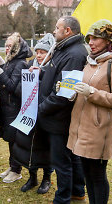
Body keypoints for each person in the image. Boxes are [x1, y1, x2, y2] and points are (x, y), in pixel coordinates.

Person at [67, 20, 112, 204]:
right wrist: (71, 92)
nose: (91, 42)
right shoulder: (90, 61)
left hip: (98, 129)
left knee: (98, 176)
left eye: (96, 38)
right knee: (87, 174)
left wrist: (92, 93)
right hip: (80, 128)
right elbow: (83, 88)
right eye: (89, 38)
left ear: (107, 40)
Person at [37, 16, 87, 204]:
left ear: (67, 31)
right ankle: (76, 191)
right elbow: (56, 76)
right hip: (54, 117)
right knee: (69, 158)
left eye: (57, 27)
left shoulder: (74, 54)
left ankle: (63, 198)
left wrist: (41, 108)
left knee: (62, 162)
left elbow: (64, 93)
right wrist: (40, 72)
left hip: (60, 118)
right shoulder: (62, 49)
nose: (54, 30)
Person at [12, 33, 55, 194]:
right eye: (37, 51)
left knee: (45, 148)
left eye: (43, 52)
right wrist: (29, 78)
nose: (39, 55)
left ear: (50, 54)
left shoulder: (53, 69)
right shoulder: (29, 66)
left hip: (45, 115)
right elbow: (18, 91)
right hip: (28, 116)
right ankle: (32, 177)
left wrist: (41, 77)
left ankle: (46, 178)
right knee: (29, 147)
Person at [0, 32, 32, 184]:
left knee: (15, 140)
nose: (7, 48)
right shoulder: (11, 61)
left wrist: (0, 71)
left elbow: (11, 86)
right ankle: (12, 166)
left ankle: (17, 170)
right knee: (10, 139)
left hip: (15, 107)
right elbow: (8, 77)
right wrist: (3, 65)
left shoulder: (21, 63)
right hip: (7, 106)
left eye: (10, 46)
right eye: (7, 46)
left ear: (17, 47)